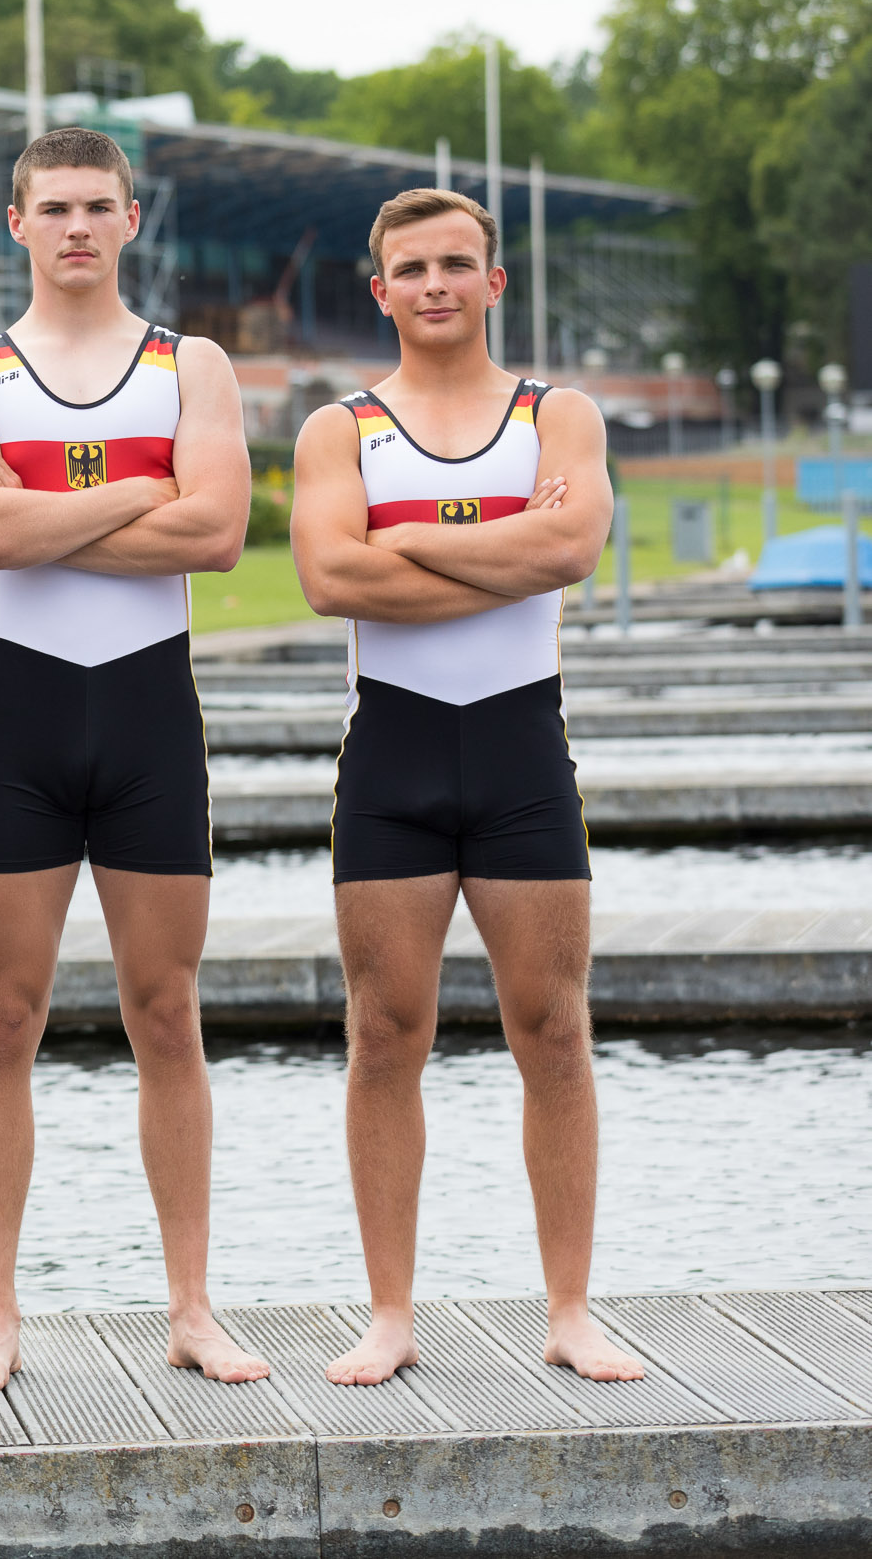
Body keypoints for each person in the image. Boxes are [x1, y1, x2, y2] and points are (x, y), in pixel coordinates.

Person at [0, 127, 268, 1391]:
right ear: (14, 223)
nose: (76, 226)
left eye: (97, 206)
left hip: (145, 712)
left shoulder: (193, 364)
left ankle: (189, 1303)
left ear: (133, 221)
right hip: (21, 710)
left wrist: (40, 508)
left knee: (164, 1009)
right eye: (52, 206)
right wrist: (139, 491)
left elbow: (220, 530)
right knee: (2, 1015)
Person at [290, 188, 644, 1386]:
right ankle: (389, 1312)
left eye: (455, 263)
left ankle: (568, 1307)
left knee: (552, 1027)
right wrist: (498, 542)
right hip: (389, 751)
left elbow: (570, 550)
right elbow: (328, 576)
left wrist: (401, 546)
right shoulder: (340, 429)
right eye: (410, 267)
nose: (434, 283)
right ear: (377, 288)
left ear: (495, 283)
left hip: (518, 750)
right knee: (385, 1033)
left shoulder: (559, 413)